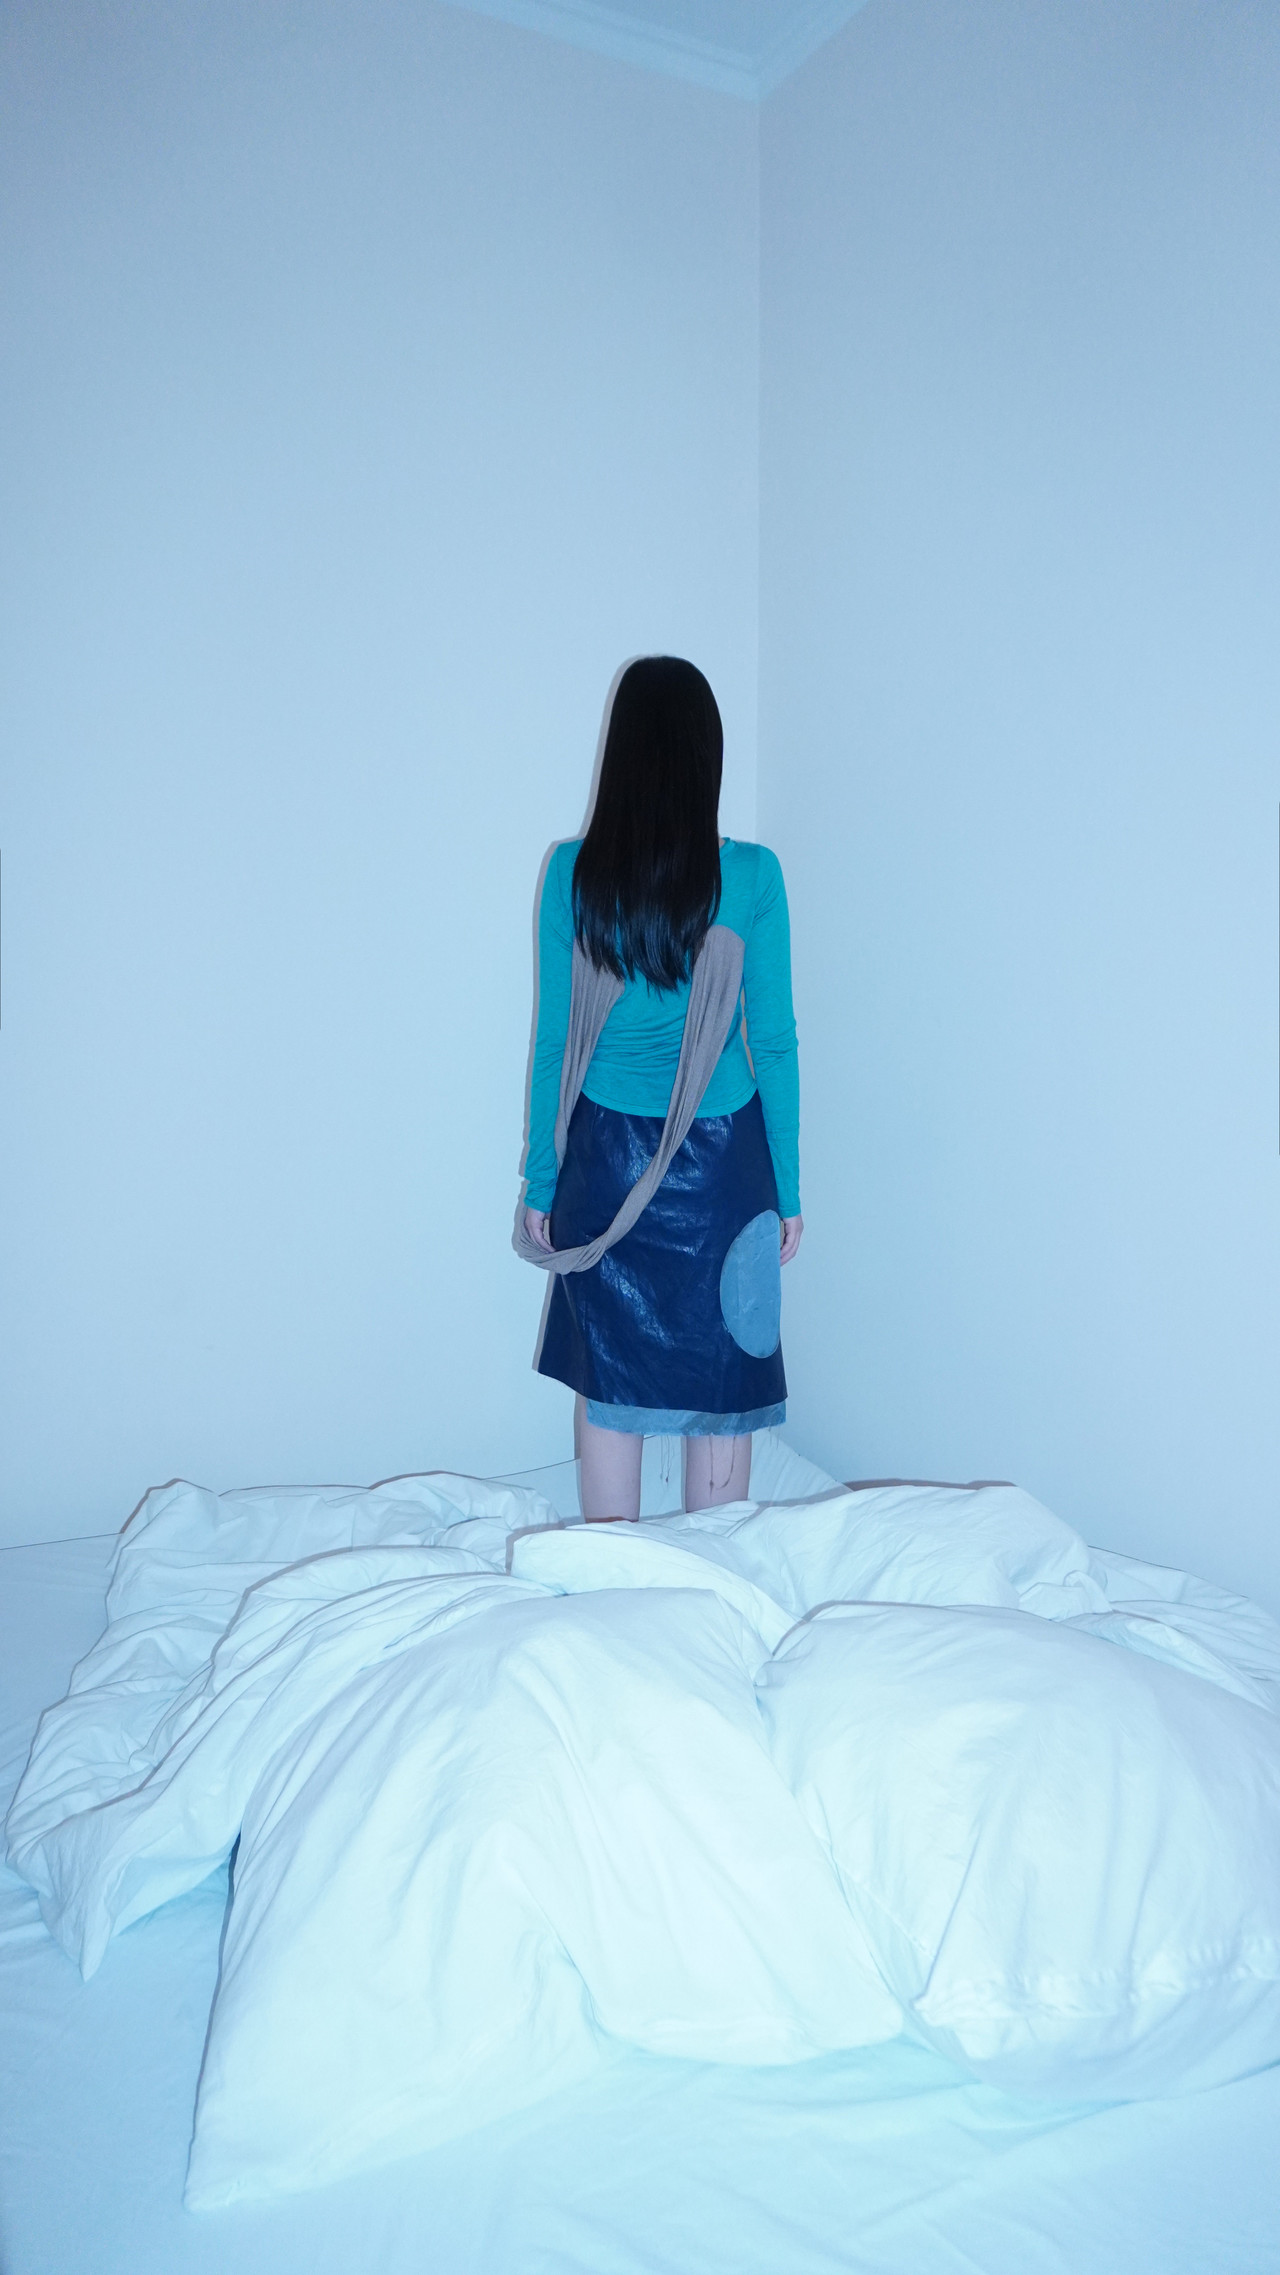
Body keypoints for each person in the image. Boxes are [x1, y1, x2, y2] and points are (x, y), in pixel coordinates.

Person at [520, 655, 802, 1520]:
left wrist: (541, 1181)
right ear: (707, 757)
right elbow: (775, 1045)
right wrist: (790, 1190)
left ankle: (612, 1571)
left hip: (604, 1166)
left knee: (612, 1385)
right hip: (725, 1172)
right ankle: (715, 1580)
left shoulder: (573, 874)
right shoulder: (753, 876)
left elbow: (556, 1043)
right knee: (724, 1382)